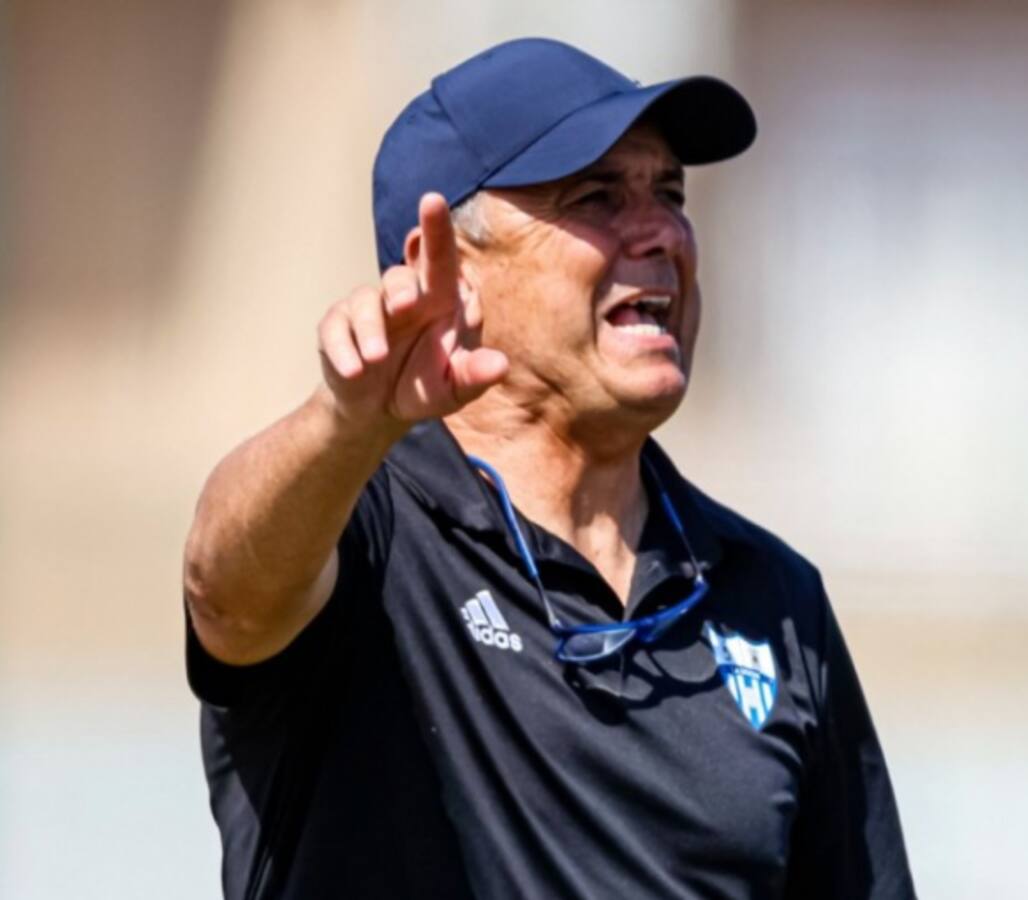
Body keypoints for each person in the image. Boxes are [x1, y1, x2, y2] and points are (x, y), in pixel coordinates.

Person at [183, 37, 915, 899]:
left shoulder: (772, 597)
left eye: (671, 193)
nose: (663, 232)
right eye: (597, 197)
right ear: (451, 274)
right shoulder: (363, 533)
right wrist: (343, 424)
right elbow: (224, 591)